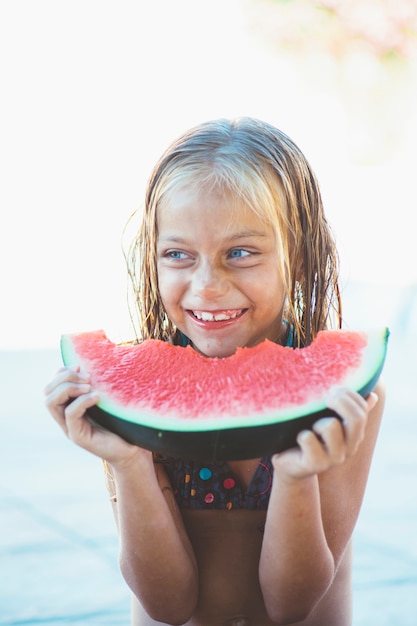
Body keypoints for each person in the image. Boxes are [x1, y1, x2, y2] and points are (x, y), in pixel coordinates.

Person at [44, 117, 384, 626]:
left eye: (241, 253)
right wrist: (128, 462)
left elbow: (292, 605)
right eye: (178, 254)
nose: (205, 285)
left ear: (300, 255)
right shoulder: (125, 401)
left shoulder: (345, 398)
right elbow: (168, 605)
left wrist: (295, 474)